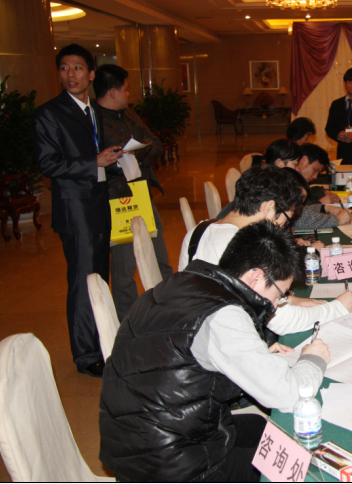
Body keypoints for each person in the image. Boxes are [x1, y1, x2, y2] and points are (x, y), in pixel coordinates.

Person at [100, 220, 331, 481]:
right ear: (255, 277)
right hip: (171, 465)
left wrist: (259, 356)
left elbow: (180, 359)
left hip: (137, 440)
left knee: (263, 428)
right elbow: (287, 395)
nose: (276, 305)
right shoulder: (223, 315)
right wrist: (313, 359)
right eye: (280, 294)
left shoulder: (183, 283)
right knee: (297, 466)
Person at [33, 43, 123, 378]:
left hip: (98, 203)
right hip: (75, 210)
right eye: (64, 68)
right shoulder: (49, 113)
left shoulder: (93, 110)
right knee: (84, 281)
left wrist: (114, 159)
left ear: (91, 74)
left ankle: (103, 342)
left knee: (100, 277)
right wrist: (93, 162)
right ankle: (86, 355)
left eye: (78, 68)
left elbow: (93, 151)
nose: (71, 75)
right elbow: (48, 163)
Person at [179, 165, 352, 328]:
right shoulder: (247, 245)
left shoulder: (199, 230)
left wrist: (288, 299)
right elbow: (281, 321)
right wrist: (337, 308)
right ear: (270, 208)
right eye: (286, 221)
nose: (282, 228)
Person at [93, 64, 174, 322]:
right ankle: (127, 322)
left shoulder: (129, 114)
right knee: (124, 267)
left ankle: (169, 310)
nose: (129, 93)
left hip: (142, 192)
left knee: (160, 257)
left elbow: (155, 144)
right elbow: (110, 160)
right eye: (126, 89)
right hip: (117, 198)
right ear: (113, 91)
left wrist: (132, 157)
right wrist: (133, 156)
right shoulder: (94, 121)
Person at [294, 143, 352, 229]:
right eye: (315, 170)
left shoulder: (297, 180)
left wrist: (324, 204)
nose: (315, 176)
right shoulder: (285, 181)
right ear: (303, 160)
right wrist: (337, 220)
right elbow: (298, 217)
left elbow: (304, 204)